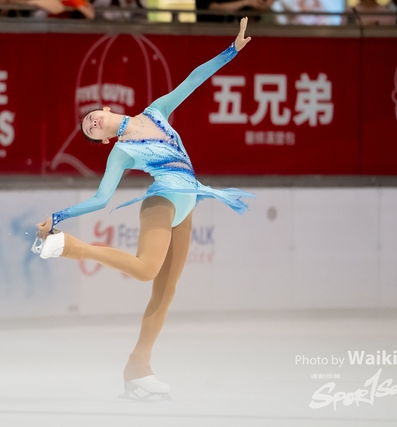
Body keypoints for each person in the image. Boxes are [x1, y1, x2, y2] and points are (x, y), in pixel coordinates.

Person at [34, 17, 255, 401]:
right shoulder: (120, 152)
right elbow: (101, 199)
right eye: (90, 130)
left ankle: (138, 368)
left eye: (92, 118)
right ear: (104, 140)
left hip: (189, 202)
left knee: (165, 291)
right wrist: (58, 217)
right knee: (146, 269)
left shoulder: (155, 111)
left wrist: (230, 51)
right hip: (162, 201)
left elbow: (192, 81)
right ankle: (69, 246)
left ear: (106, 108)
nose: (92, 123)